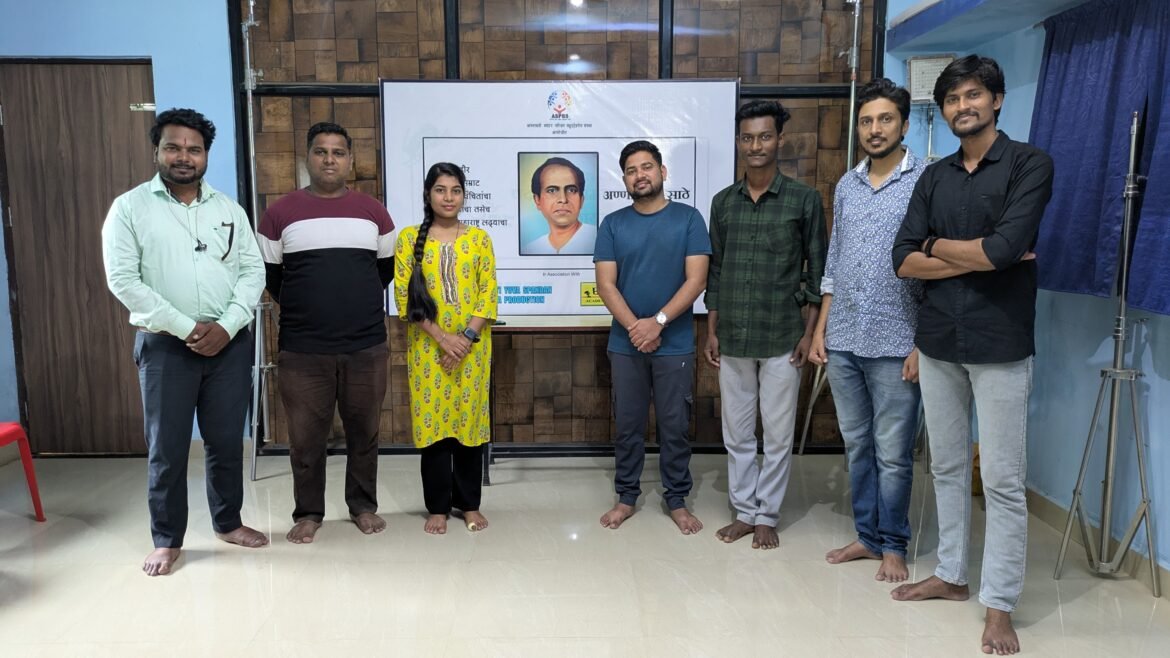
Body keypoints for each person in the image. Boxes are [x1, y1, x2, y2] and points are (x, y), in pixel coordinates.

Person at [890, 55, 1054, 656]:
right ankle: (952, 575)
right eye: (953, 99)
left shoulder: (1029, 164)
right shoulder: (934, 177)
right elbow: (902, 258)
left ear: (997, 100)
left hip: (1000, 342)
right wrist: (970, 253)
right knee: (947, 466)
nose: (963, 106)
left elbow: (1004, 250)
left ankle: (1000, 604)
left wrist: (942, 248)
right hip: (938, 340)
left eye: (973, 95)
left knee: (1004, 481)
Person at [101, 108, 268, 577]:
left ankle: (228, 523)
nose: (183, 157)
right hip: (165, 346)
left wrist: (228, 325)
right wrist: (185, 327)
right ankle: (167, 539)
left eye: (194, 149)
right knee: (168, 448)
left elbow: (252, 270)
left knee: (226, 442)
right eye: (173, 147)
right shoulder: (130, 208)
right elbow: (124, 280)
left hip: (227, 344)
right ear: (157, 151)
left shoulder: (228, 209)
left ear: (206, 156)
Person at [257, 122, 395, 544]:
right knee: (305, 439)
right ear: (307, 158)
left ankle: (363, 506)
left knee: (364, 433)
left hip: (365, 345)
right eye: (321, 151)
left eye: (338, 152)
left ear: (350, 160)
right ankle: (308, 513)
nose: (329, 159)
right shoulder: (279, 213)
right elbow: (273, 278)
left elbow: (383, 273)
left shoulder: (374, 212)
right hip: (303, 349)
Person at [808, 79, 924, 581]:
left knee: (894, 454)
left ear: (904, 124)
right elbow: (834, 262)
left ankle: (894, 544)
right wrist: (821, 330)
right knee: (857, 445)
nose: (875, 129)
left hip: (898, 341)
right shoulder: (847, 185)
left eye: (885, 119)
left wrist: (923, 344)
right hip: (844, 339)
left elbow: (935, 270)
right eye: (866, 121)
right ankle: (867, 537)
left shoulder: (926, 180)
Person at [703, 100, 827, 550]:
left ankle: (767, 515)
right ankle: (743, 511)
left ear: (780, 140)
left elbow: (818, 271)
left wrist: (810, 333)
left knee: (776, 434)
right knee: (737, 433)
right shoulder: (723, 203)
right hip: (734, 334)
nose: (756, 145)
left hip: (783, 336)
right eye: (748, 138)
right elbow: (716, 271)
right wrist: (712, 329)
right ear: (739, 142)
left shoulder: (803, 200)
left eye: (764, 137)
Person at [593, 140, 710, 535]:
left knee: (674, 425)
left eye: (646, 167)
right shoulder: (613, 224)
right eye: (631, 170)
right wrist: (637, 328)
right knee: (628, 425)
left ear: (662, 172)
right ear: (624, 179)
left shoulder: (689, 219)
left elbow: (697, 279)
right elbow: (606, 285)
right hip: (626, 345)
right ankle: (626, 497)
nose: (639, 175)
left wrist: (657, 322)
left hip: (674, 344)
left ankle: (676, 499)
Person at [393, 162, 497, 535]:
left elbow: (488, 294)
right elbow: (405, 298)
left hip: (473, 350)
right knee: (433, 426)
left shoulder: (479, 239)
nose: (448, 197)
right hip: (428, 350)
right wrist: (443, 339)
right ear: (428, 194)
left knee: (469, 424)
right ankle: (437, 507)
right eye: (440, 190)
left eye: (455, 190)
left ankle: (469, 504)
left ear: (464, 195)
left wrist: (464, 339)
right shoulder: (409, 239)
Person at [522, 156, 596, 255]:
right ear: (537, 200)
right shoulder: (530, 249)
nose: (563, 199)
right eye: (552, 190)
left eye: (571, 190)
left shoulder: (600, 238)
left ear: (581, 200)